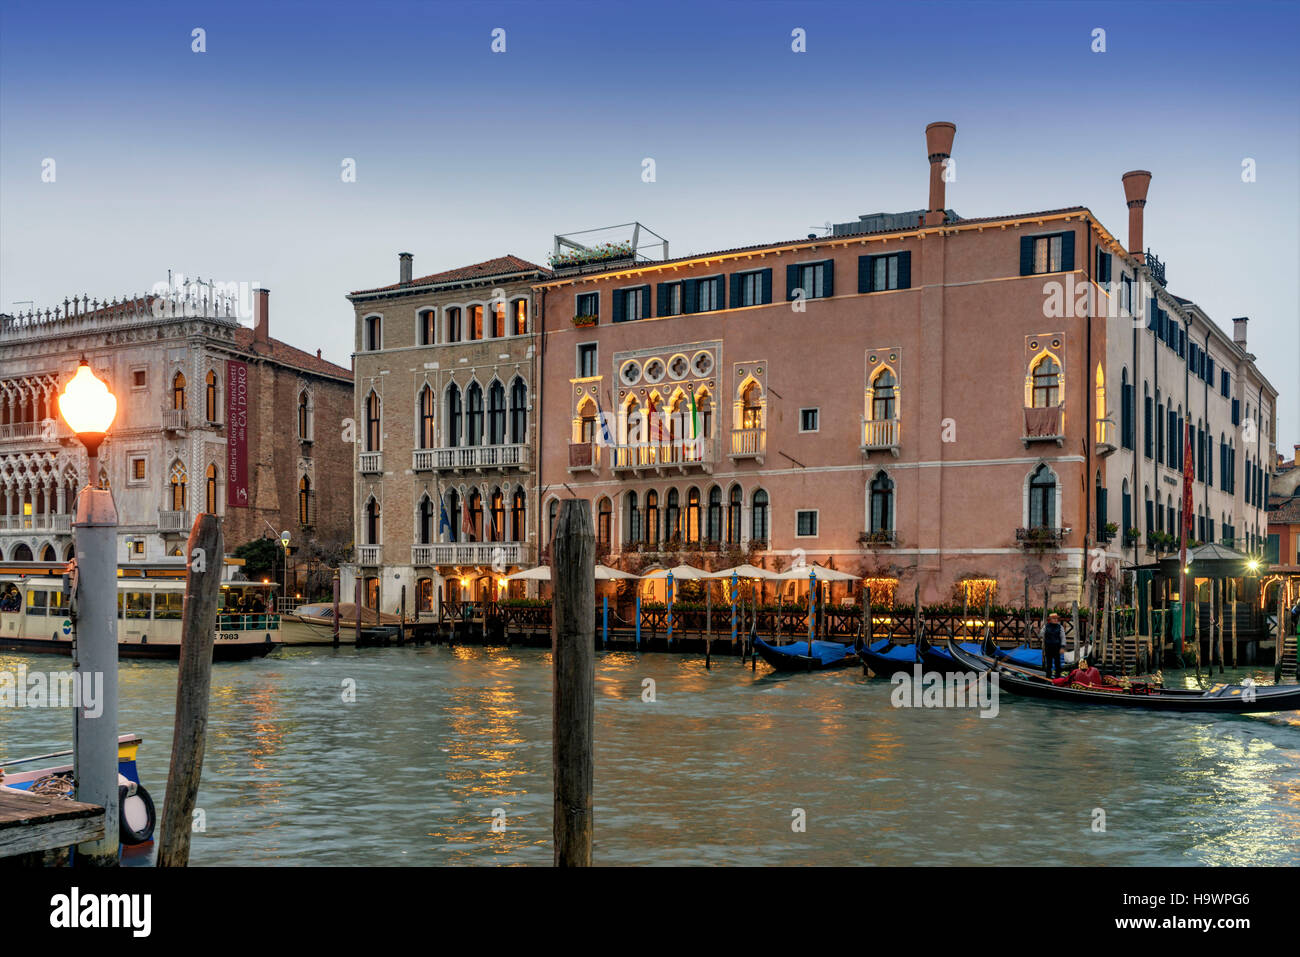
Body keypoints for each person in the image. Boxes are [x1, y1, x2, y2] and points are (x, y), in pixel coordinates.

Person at [1041, 611, 1065, 680]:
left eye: (1056, 618)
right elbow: (1041, 635)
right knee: (1049, 664)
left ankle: (1058, 677)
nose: (1055, 620)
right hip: (1048, 647)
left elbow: (1063, 637)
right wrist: (1041, 630)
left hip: (1057, 647)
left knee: (1058, 663)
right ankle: (1048, 677)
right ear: (1050, 619)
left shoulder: (1060, 627)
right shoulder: (1046, 626)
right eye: (1054, 618)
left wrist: (1062, 647)